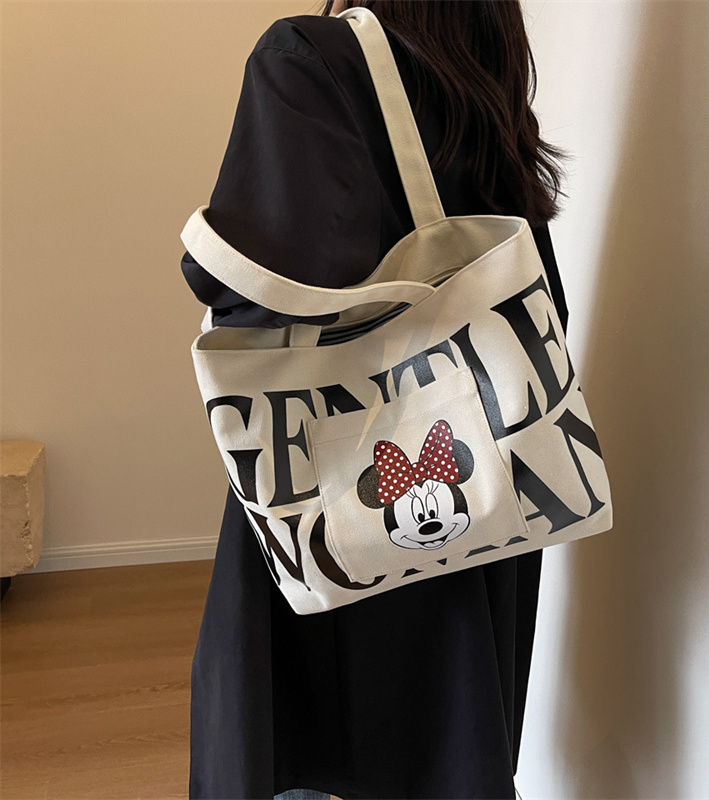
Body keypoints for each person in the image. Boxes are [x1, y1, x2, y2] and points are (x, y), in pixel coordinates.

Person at [180, 1, 570, 798]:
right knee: (443, 736)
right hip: (478, 499)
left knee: (296, 734)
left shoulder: (306, 57)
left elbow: (258, 290)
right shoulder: (485, 77)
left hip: (335, 487)